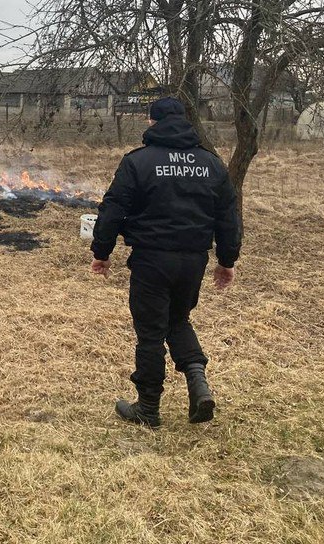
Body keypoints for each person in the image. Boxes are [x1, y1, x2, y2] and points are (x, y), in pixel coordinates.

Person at [90, 96, 242, 428]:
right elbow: (228, 215)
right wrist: (227, 259)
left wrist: (102, 253)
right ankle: (198, 383)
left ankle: (147, 408)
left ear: (151, 122)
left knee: (150, 334)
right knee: (177, 320)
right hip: (193, 261)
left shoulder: (138, 162)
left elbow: (113, 208)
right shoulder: (212, 163)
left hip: (151, 260)